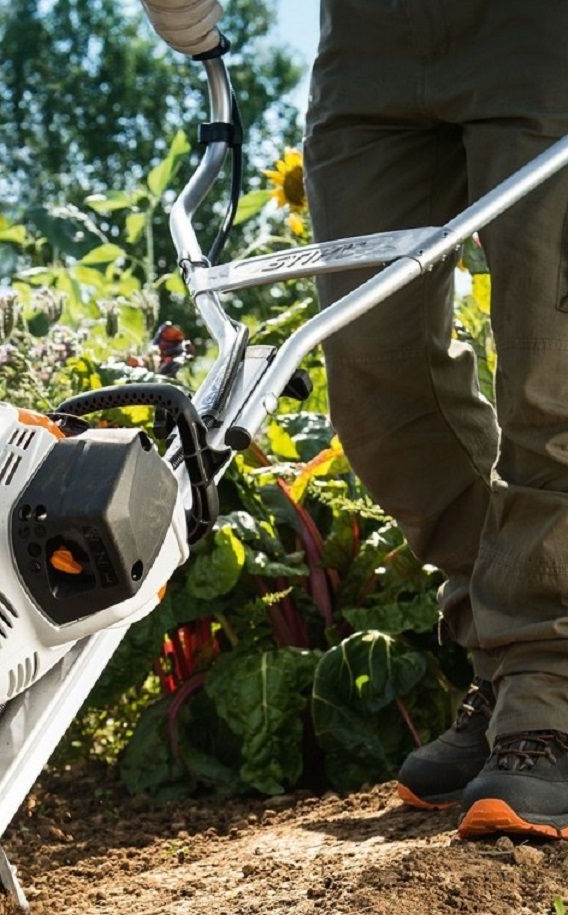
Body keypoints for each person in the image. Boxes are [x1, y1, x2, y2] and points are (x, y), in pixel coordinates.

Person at [141, 0, 568, 838]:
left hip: (538, 29)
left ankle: (549, 683)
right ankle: (508, 664)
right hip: (371, 43)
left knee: (550, 376)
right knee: (379, 390)